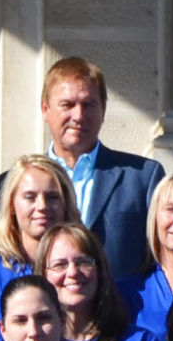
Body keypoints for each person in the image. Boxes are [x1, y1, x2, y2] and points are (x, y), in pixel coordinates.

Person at [34, 55, 163, 291]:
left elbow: (162, 259)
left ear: (103, 110)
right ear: (45, 109)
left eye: (89, 104)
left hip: (122, 317)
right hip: (41, 319)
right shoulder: (13, 186)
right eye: (67, 105)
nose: (79, 115)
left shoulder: (143, 177)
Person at [41, 220, 164, 341]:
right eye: (59, 265)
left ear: (100, 270)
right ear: (42, 275)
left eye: (83, 262)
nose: (73, 272)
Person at [0, 153, 79, 341]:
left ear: (66, 204)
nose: (42, 206)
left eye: (52, 197)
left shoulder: (81, 273)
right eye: (30, 197)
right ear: (12, 205)